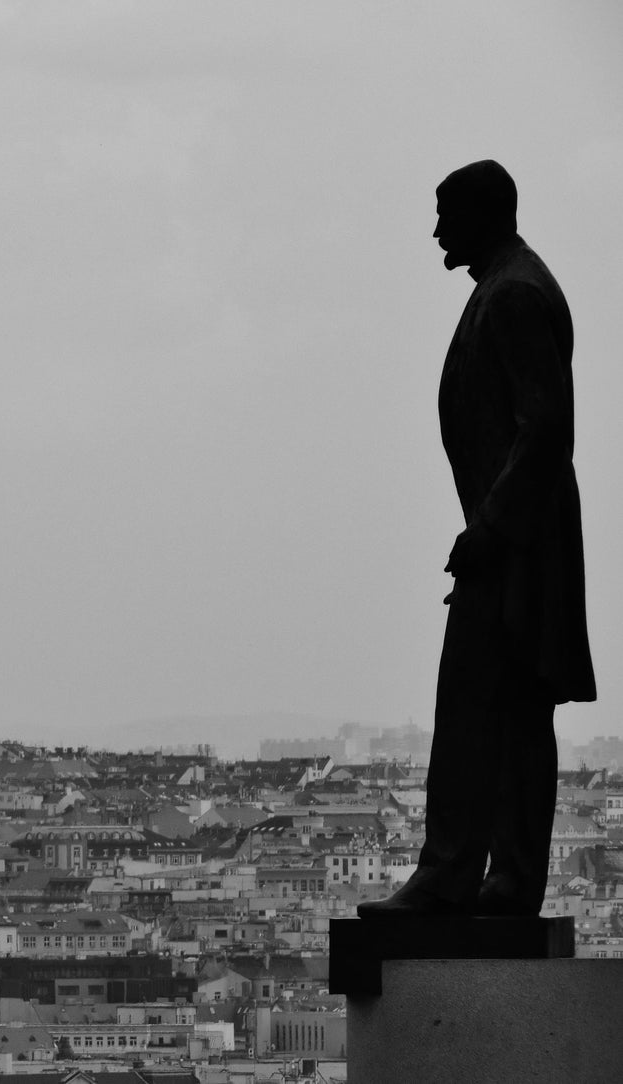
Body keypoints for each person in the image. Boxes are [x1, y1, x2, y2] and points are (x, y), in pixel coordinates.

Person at [359, 160, 595, 918]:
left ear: (484, 215)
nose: (436, 232)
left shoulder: (513, 293)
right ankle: (506, 881)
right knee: (516, 711)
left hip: (512, 542)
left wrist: (488, 531)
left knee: (472, 705)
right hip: (520, 537)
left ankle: (451, 875)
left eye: (446, 215)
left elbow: (544, 428)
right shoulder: (508, 286)